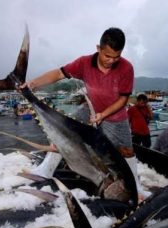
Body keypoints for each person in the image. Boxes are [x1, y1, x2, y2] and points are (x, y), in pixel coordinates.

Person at [19, 27, 150, 199]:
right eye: (107, 56)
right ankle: (46, 170)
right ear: (98, 48)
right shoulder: (84, 63)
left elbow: (123, 100)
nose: (111, 61)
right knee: (64, 130)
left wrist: (103, 115)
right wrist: (33, 84)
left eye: (116, 57)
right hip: (90, 107)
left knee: (127, 151)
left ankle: (135, 185)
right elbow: (59, 73)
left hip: (115, 114)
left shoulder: (126, 68)